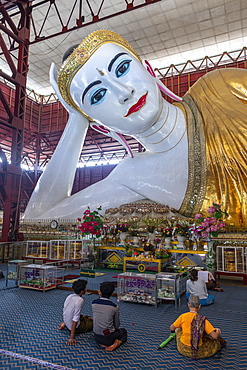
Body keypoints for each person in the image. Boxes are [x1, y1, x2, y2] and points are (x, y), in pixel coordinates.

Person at [23, 29, 247, 228]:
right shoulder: (132, 175)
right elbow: (37, 221)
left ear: (148, 69)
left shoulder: (223, 88)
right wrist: (77, 120)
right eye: (98, 95)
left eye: (121, 69)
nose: (123, 92)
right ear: (100, 126)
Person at [170, 295, 226, 359]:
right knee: (215, 342)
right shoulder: (203, 320)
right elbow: (215, 336)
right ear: (199, 306)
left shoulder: (183, 316)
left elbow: (171, 328)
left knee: (178, 329)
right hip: (198, 351)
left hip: (183, 349)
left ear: (188, 305)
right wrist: (218, 331)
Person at [92, 281, 127, 351]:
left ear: (100, 292)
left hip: (96, 335)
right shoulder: (114, 307)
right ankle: (117, 343)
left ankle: (103, 343)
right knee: (123, 331)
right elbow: (117, 325)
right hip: (108, 338)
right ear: (111, 294)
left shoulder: (94, 303)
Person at [58, 279, 93, 345]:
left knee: (87, 317)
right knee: (94, 323)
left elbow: (67, 311)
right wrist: (71, 337)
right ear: (82, 291)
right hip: (75, 328)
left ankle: (65, 323)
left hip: (68, 323)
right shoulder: (80, 300)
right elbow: (75, 319)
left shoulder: (69, 296)